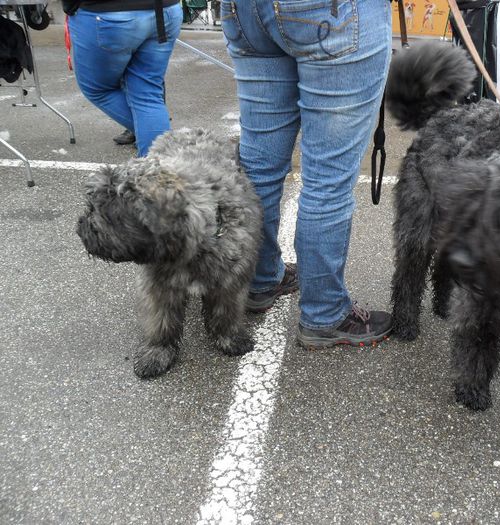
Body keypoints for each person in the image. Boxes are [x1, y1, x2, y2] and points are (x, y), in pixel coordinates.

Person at [224, 0, 393, 348]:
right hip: (330, 11)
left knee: (259, 166)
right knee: (327, 179)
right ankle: (325, 313)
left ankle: (258, 280)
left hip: (244, 9)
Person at [67, 0, 182, 157]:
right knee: (147, 94)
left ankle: (166, 151)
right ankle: (163, 162)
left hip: (108, 13)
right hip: (165, 10)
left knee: (99, 90)